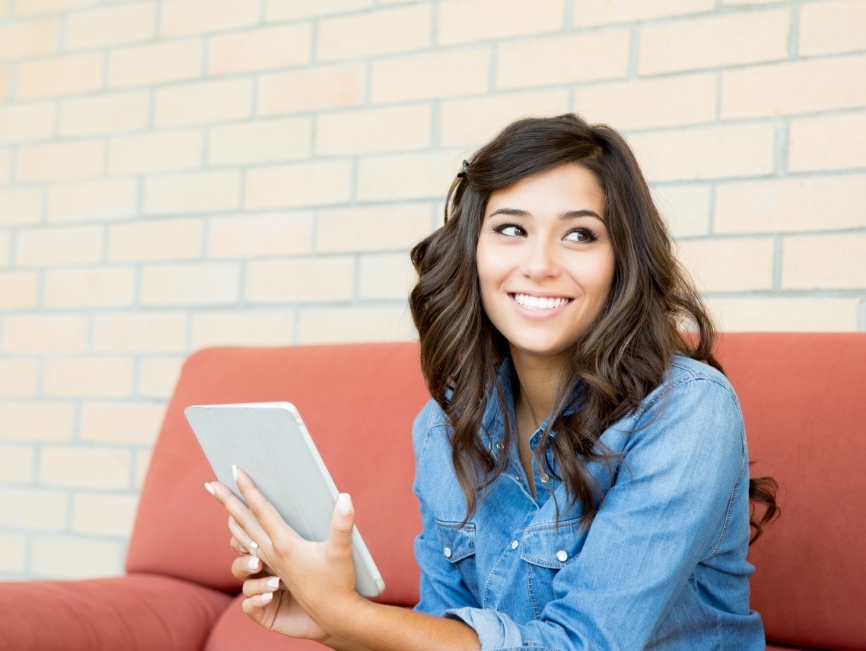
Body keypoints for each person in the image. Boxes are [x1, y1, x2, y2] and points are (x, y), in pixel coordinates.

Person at [205, 114, 778, 650]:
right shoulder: (445, 427)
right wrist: (331, 624)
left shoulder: (687, 410)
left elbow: (585, 645)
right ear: (474, 252)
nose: (540, 264)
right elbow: (444, 627)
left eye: (580, 236)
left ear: (623, 261)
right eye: (510, 229)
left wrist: (346, 613)